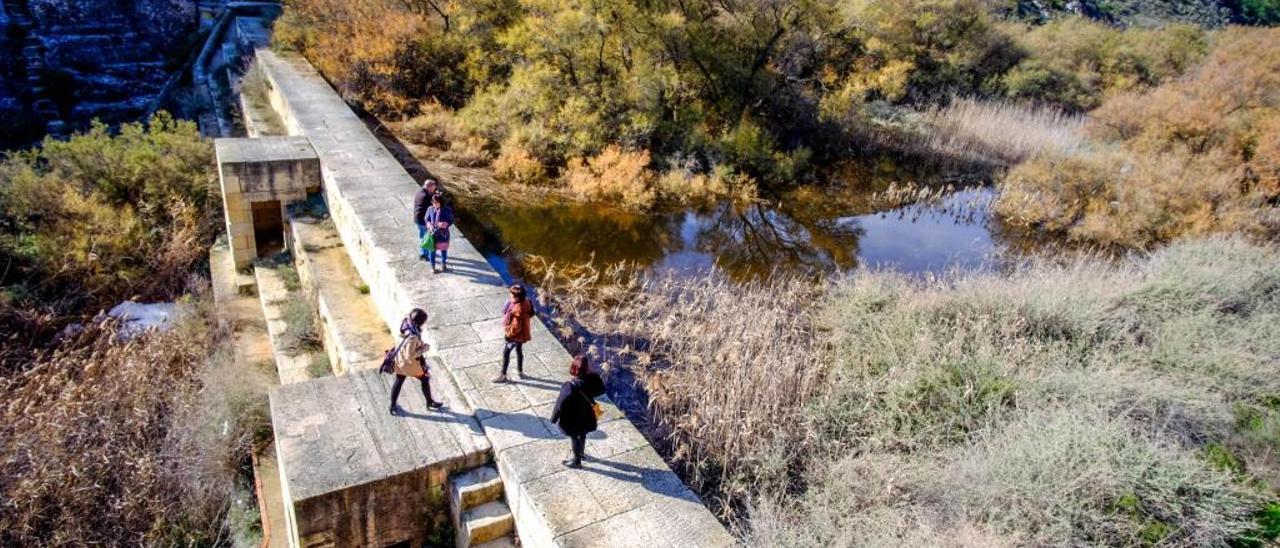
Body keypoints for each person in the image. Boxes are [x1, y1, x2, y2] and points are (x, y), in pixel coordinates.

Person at [550, 355, 606, 468]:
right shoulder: (592, 379)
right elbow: (601, 390)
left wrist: (554, 418)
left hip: (572, 418)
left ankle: (577, 461)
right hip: (587, 415)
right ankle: (581, 453)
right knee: (583, 433)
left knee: (575, 437)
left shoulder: (569, 386)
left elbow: (560, 404)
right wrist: (593, 375)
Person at [390, 308, 444, 415]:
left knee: (399, 381)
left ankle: (392, 406)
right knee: (425, 378)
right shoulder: (412, 337)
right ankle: (430, 402)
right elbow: (409, 356)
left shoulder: (406, 324)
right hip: (409, 364)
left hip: (399, 359)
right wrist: (423, 348)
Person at [496, 284, 534, 382]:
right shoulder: (527, 302)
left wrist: (508, 335)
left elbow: (516, 327)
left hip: (516, 336)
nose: (510, 296)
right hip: (523, 334)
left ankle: (503, 375)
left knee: (506, 352)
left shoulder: (517, 309)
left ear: (516, 297)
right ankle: (520, 371)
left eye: (511, 295)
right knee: (519, 351)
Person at [425, 192, 454, 273]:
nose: (434, 204)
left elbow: (451, 220)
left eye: (436, 202)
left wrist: (445, 224)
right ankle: (432, 267)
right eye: (433, 202)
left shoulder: (447, 210)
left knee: (443, 250)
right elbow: (426, 219)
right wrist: (429, 225)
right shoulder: (430, 209)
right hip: (432, 234)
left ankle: (443, 265)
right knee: (432, 251)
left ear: (440, 202)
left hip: (443, 234)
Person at [413, 179, 439, 261]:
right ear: (428, 187)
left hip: (418, 218)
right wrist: (437, 196)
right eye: (433, 188)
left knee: (423, 236)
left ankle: (424, 253)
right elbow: (434, 204)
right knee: (425, 237)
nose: (434, 190)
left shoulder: (420, 191)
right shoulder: (425, 196)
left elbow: (430, 197)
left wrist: (434, 193)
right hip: (422, 220)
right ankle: (423, 254)